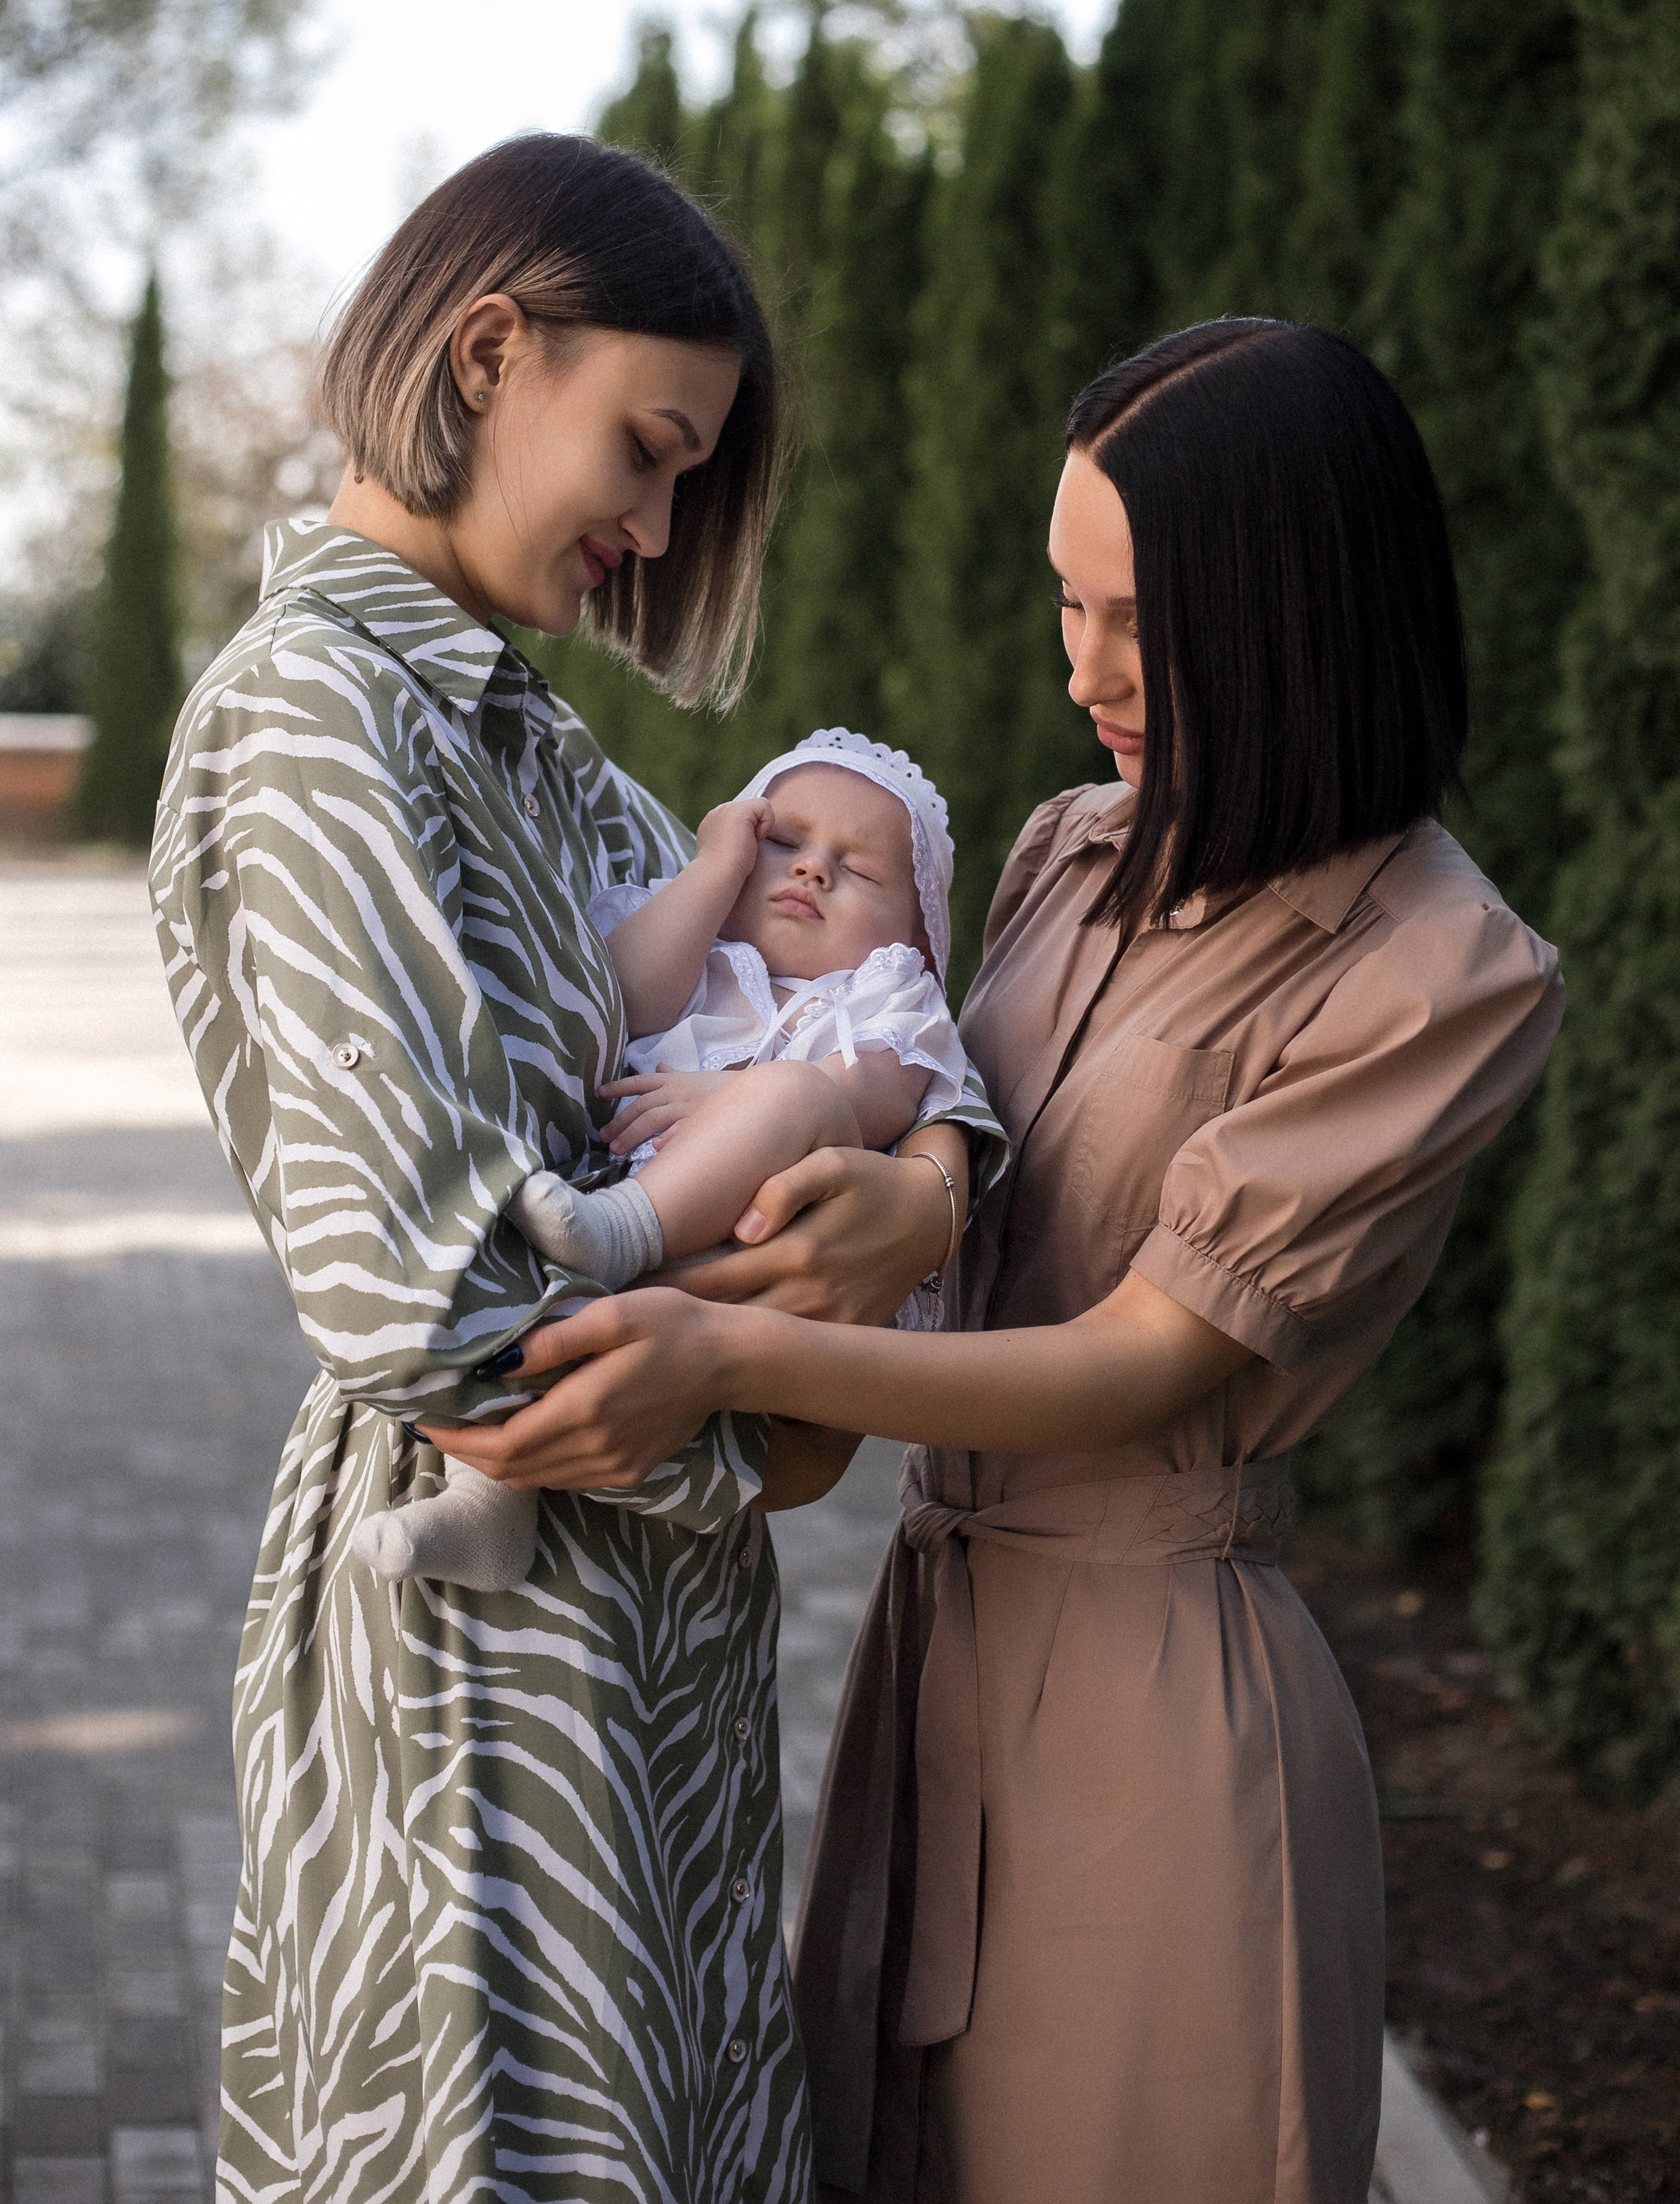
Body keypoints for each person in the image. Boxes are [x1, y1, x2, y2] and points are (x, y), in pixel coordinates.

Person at [452, 318, 1567, 2204]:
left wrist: (722, 1354)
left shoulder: (1438, 969)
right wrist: (913, 1184)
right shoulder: (1071, 848)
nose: (1084, 669)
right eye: (1068, 601)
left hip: (1153, 1707)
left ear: (1304, 609)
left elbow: (1145, 1357)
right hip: (932, 1653)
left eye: (1142, 617)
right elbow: (934, 1098)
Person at [150, 133, 996, 2204]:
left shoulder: (535, 746)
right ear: (486, 351)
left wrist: (926, 1184)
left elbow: (827, 1021)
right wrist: (789, 1409)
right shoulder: (313, 722)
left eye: (692, 477)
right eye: (647, 447)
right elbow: (439, 1316)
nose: (659, 524)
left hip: (662, 1676)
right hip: (481, 1684)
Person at [356, 729, 969, 1592]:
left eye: (859, 869)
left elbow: (879, 1093)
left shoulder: (883, 996)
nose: (812, 869)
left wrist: (733, 1096)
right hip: (599, 1207)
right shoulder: (696, 945)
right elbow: (620, 1001)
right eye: (783, 843)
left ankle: (618, 1236)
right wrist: (713, 872)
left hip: (746, 1249)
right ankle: (487, 1506)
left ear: (918, 936)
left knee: (795, 1093)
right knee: (527, 1327)